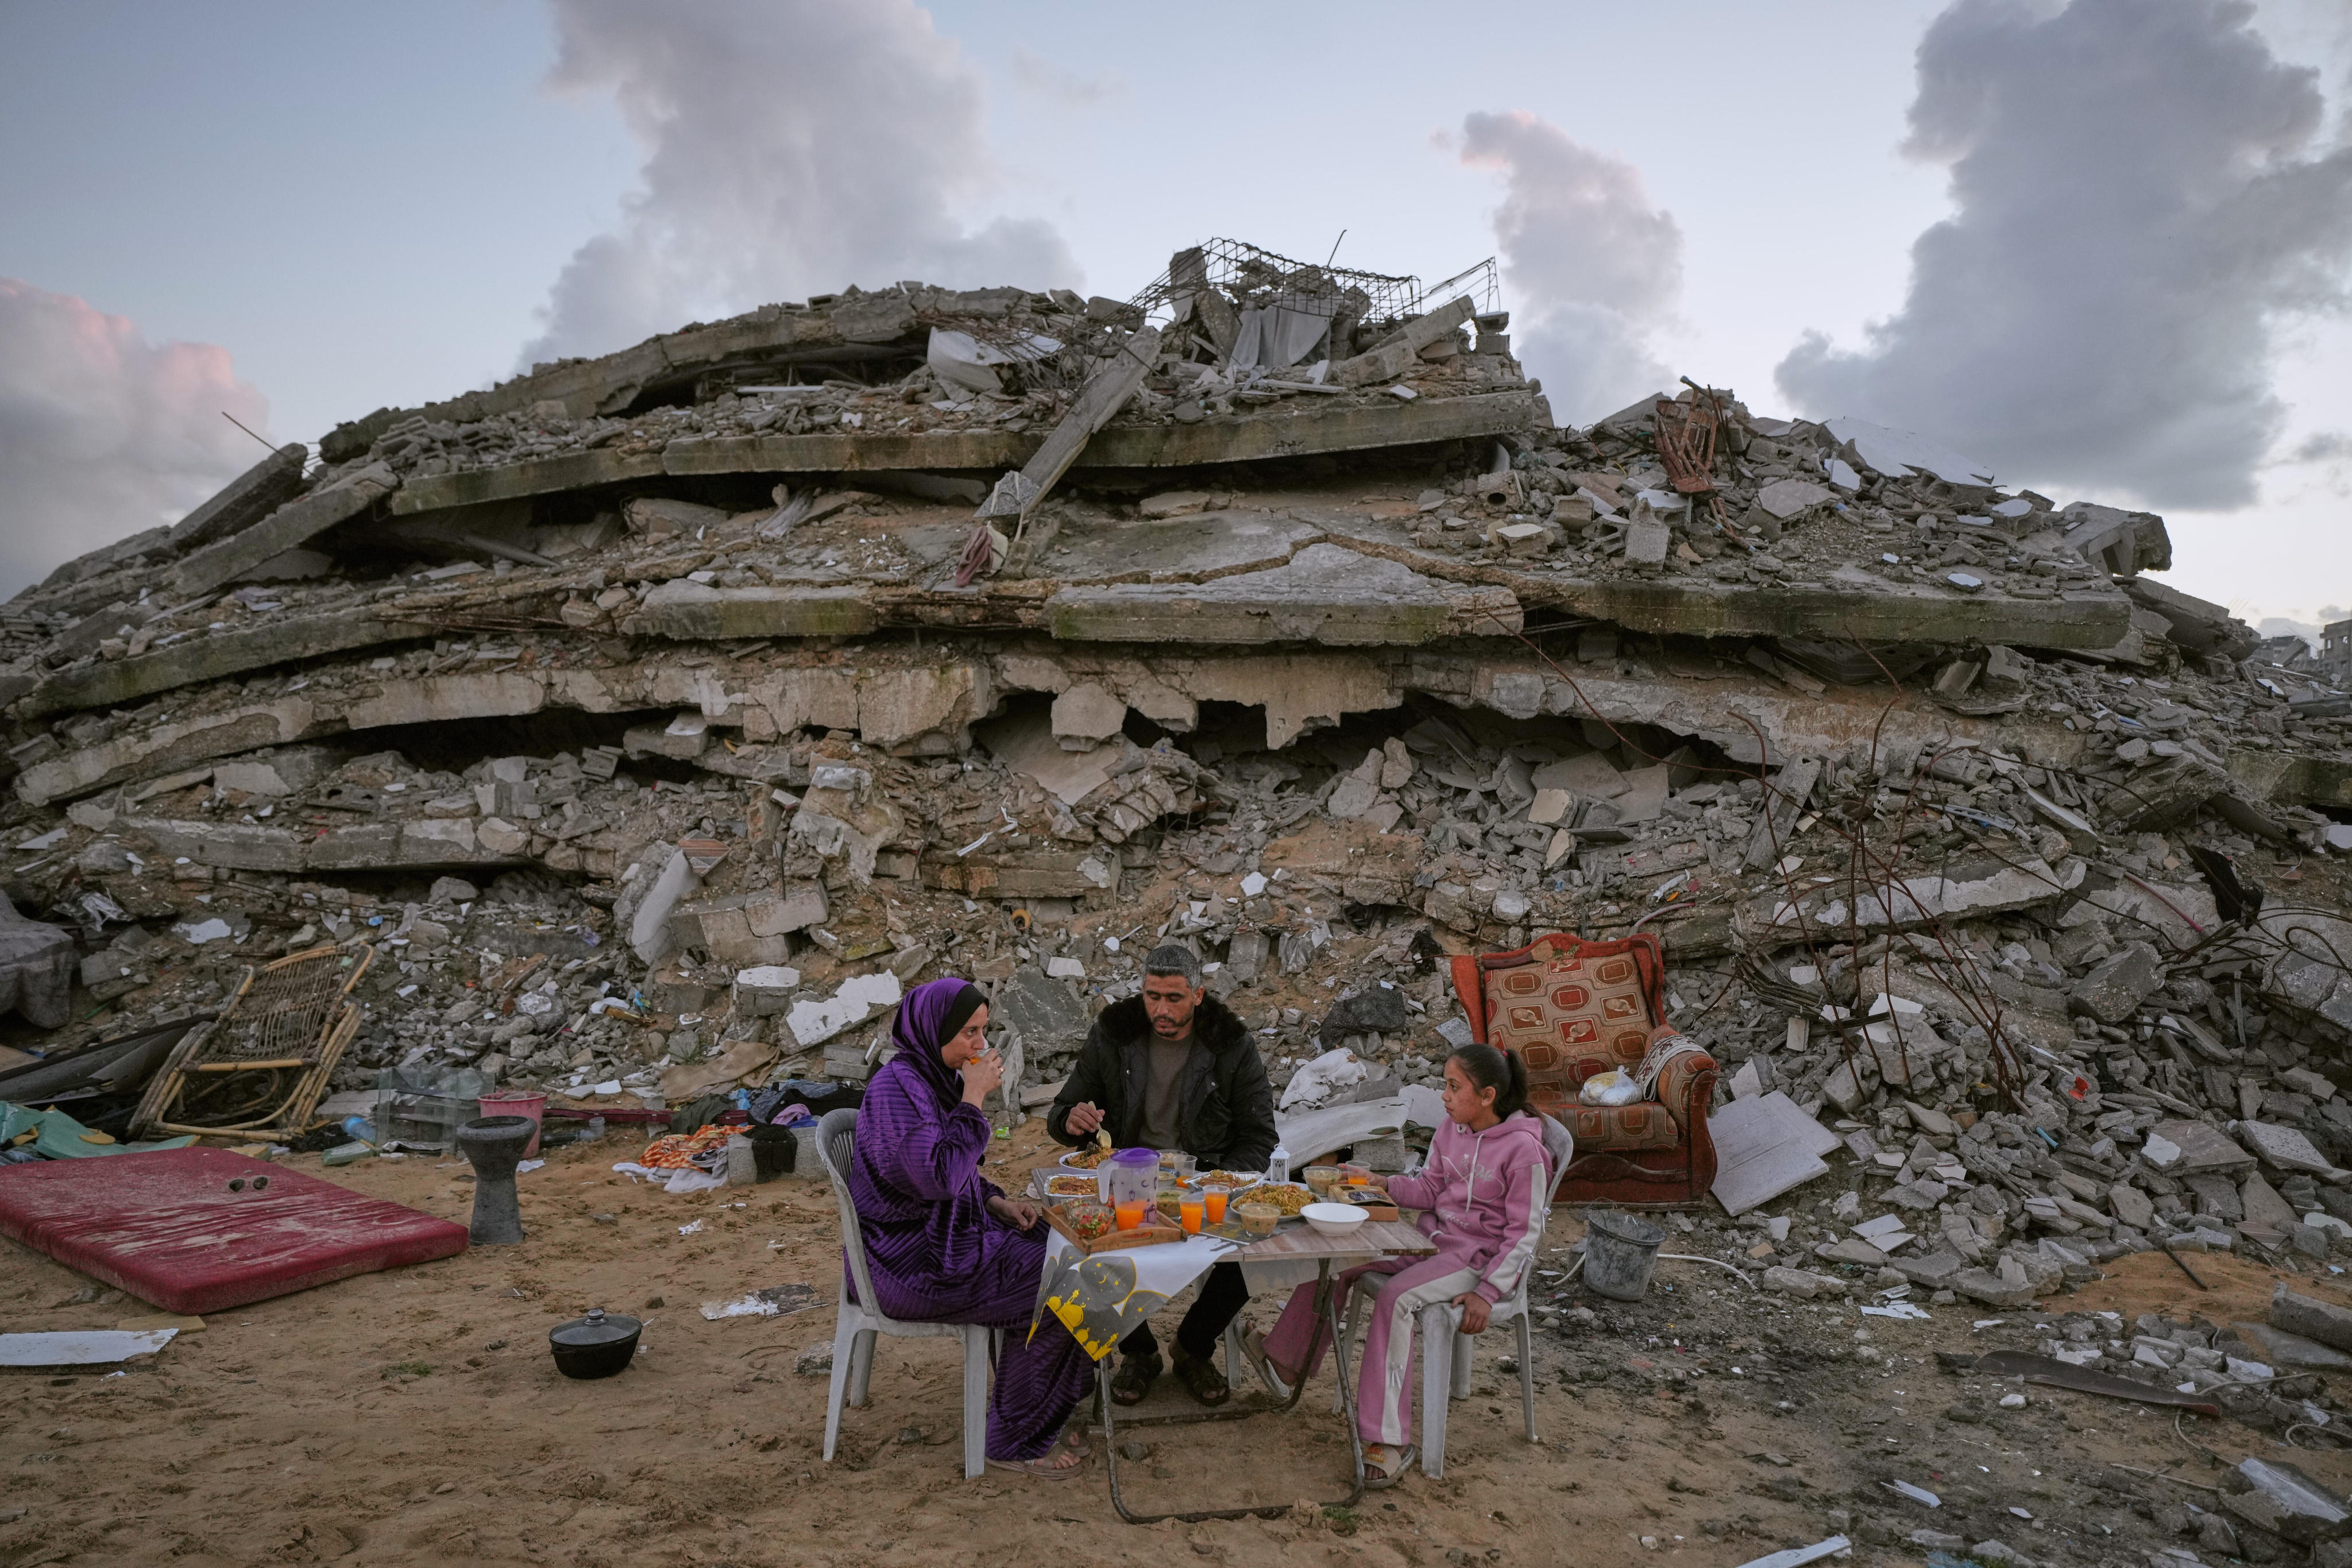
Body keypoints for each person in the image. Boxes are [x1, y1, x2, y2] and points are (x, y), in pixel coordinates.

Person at [1241, 1042, 1548, 1488]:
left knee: (1394, 1298)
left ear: (1487, 1096)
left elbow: (1524, 1233)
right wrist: (1380, 1184)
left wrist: (1488, 1291)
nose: (1443, 1095)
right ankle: (1285, 1360)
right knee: (1340, 1256)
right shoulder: (1451, 1129)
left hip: (1475, 1259)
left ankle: (1388, 1442)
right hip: (1431, 1241)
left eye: (1453, 1086)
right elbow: (1428, 1190)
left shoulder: (1524, 1151)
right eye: (1445, 1084)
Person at [848, 976, 1095, 1478]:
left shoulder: (926, 1078)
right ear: (930, 1029)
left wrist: (998, 1202)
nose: (980, 1046)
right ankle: (1013, 1439)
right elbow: (937, 1177)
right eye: (968, 1033)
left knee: (1056, 1244)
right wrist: (974, 1099)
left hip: (939, 1245)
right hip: (909, 1267)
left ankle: (1040, 1398)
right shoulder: (896, 1092)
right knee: (1064, 1280)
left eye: (984, 1032)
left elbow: (959, 1179)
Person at [1047, 944, 1275, 1407]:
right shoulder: (1115, 1033)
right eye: (1152, 996)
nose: (1160, 1010)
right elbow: (1064, 1111)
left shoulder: (1231, 1044)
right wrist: (1071, 1120)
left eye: (1173, 998)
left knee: (1263, 1248)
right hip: (1126, 1177)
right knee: (1085, 1249)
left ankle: (1193, 1345)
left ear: (1198, 995)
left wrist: (1220, 1181)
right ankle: (1139, 1351)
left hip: (1202, 1178)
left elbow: (1258, 1136)